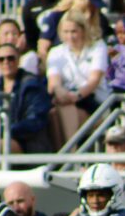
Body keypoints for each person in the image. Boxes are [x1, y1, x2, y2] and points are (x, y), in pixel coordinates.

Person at [46, 8, 110, 141]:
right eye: (66, 32)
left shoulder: (98, 46)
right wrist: (62, 94)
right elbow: (54, 82)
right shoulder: (56, 52)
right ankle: (67, 157)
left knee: (66, 110)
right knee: (54, 113)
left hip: (94, 101)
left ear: (83, 30)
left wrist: (75, 96)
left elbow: (94, 80)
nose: (70, 36)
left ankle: (69, 157)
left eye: (74, 31)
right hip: (66, 100)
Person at [0, 44, 53, 154]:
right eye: (1, 59)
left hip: (27, 143)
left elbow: (35, 120)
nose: (6, 62)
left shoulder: (32, 85)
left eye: (10, 58)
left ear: (18, 60)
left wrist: (6, 131)